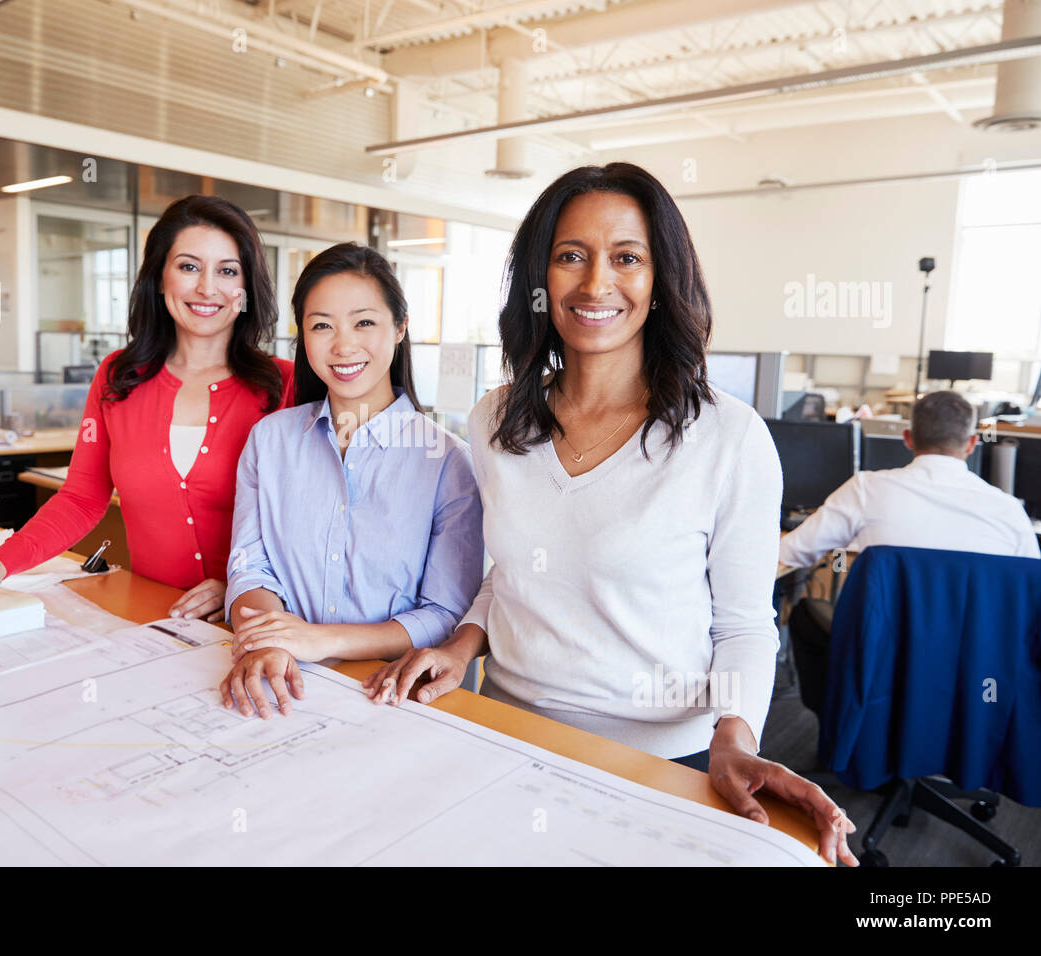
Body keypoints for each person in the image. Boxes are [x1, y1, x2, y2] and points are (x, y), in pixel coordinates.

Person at [363, 163, 858, 865]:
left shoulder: (727, 436)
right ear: (541, 280)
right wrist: (460, 645)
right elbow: (504, 573)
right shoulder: (494, 419)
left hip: (664, 757)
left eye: (627, 258)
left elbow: (743, 624)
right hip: (503, 730)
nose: (596, 284)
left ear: (661, 282)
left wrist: (734, 738)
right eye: (571, 257)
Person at [0, 195, 294, 621]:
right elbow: (82, 498)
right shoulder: (119, 377)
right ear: (159, 278)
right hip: (153, 619)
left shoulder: (285, 385)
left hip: (256, 624)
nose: (206, 288)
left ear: (246, 287)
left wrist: (246, 584)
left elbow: (315, 520)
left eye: (227, 271)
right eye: (188, 266)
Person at [218, 242, 484, 719]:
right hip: (283, 685)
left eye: (364, 322)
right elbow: (250, 567)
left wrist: (316, 640)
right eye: (322, 325)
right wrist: (269, 642)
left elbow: (444, 613)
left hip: (386, 698)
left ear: (400, 328)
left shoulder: (448, 461)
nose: (343, 345)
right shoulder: (270, 440)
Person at [779, 390, 1040, 567]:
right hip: (978, 647)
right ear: (972, 444)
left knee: (805, 615)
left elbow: (791, 553)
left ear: (907, 438)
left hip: (883, 647)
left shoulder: (865, 490)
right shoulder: (1009, 511)